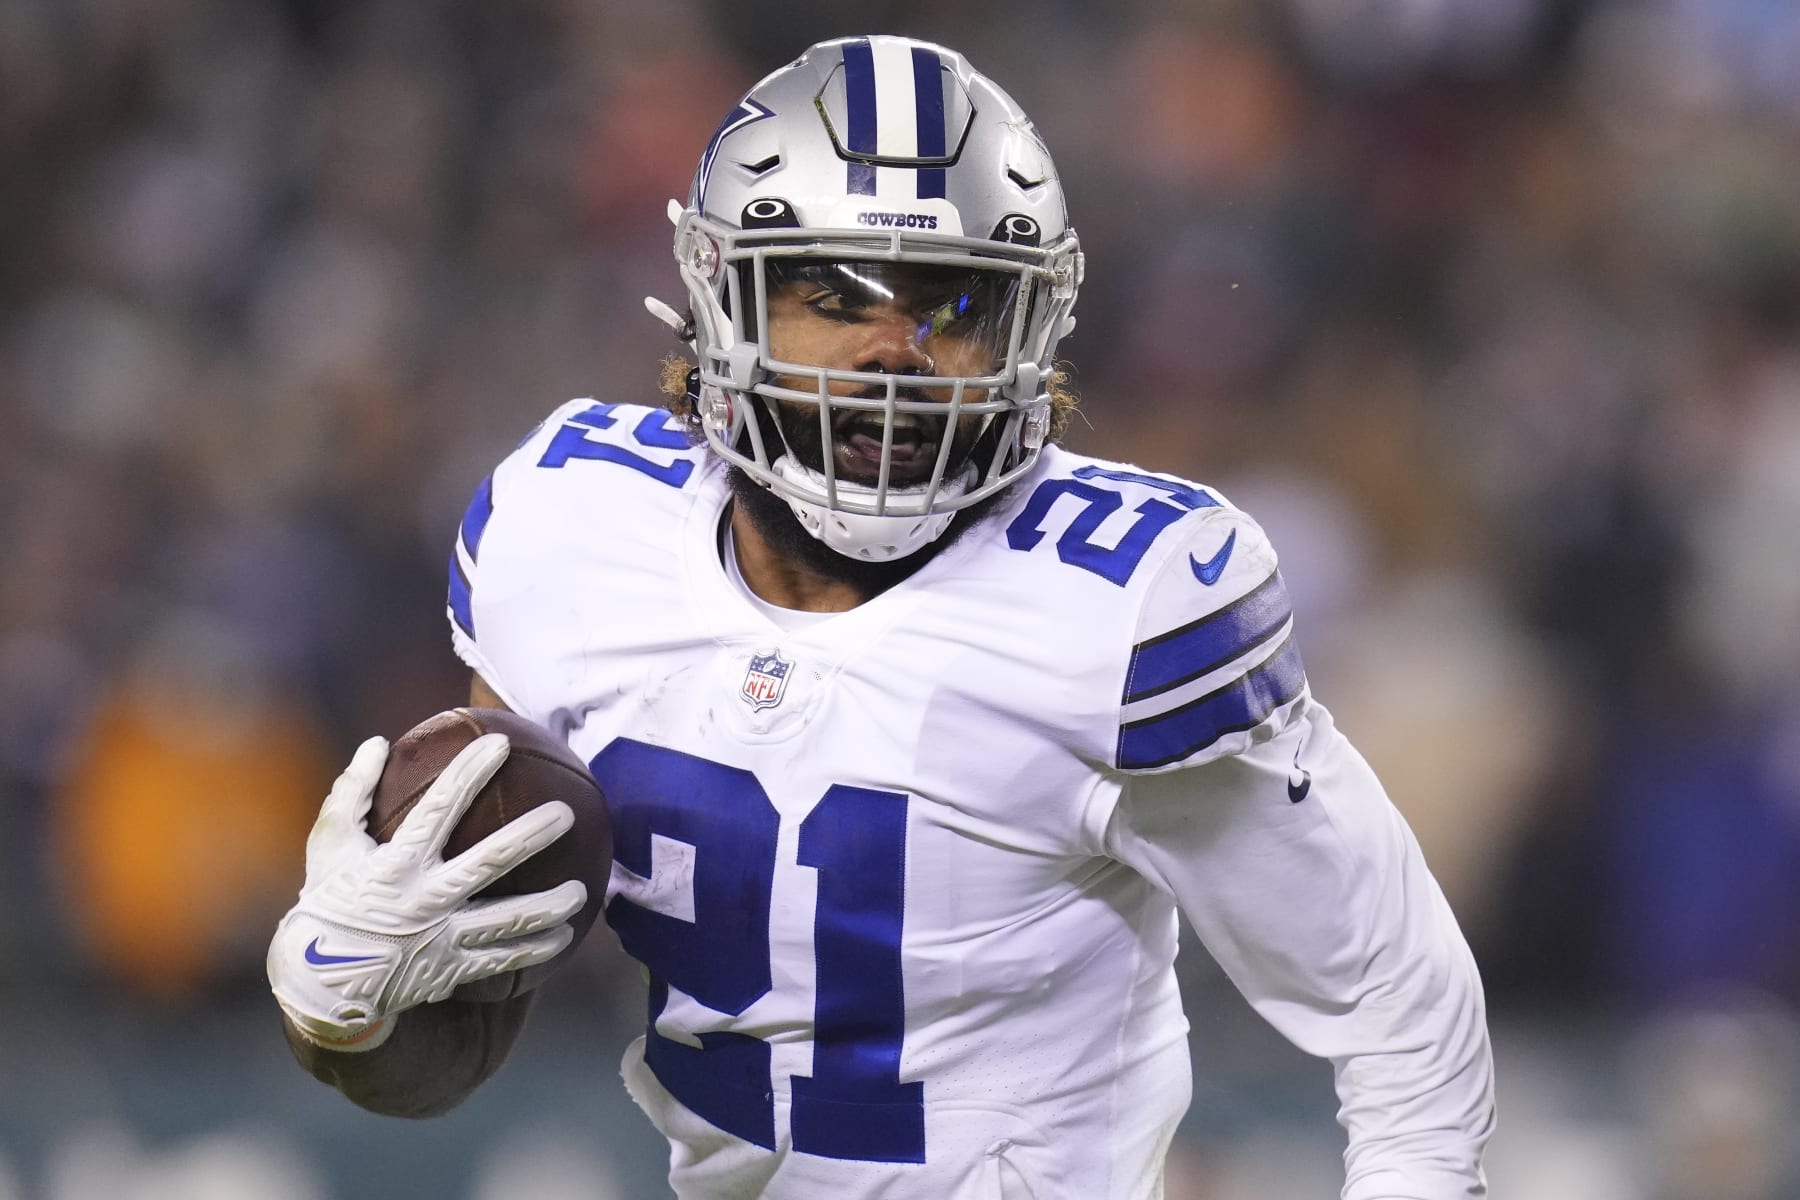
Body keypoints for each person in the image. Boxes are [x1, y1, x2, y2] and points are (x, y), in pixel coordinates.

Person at [265, 34, 1495, 1199]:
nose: (894, 352)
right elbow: (444, 1043)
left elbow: (1399, 1008)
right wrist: (345, 1005)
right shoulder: (567, 530)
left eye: (951, 305)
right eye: (832, 296)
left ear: (1032, 329)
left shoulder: (1124, 607)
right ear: (719, 296)